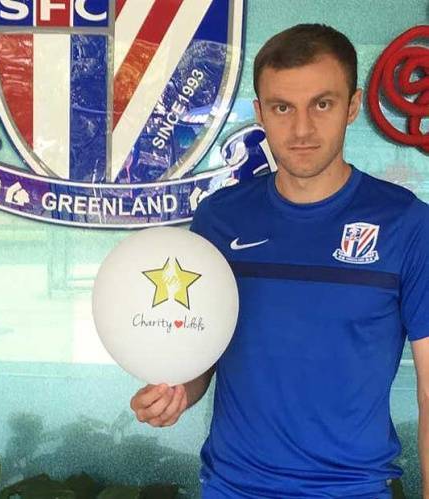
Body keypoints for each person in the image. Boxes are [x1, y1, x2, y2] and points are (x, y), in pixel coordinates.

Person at [131, 24, 429, 499]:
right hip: (233, 487)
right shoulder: (220, 218)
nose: (302, 129)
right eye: (282, 107)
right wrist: (179, 393)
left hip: (352, 489)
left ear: (352, 106)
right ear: (260, 113)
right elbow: (203, 348)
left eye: (322, 104)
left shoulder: (407, 223)